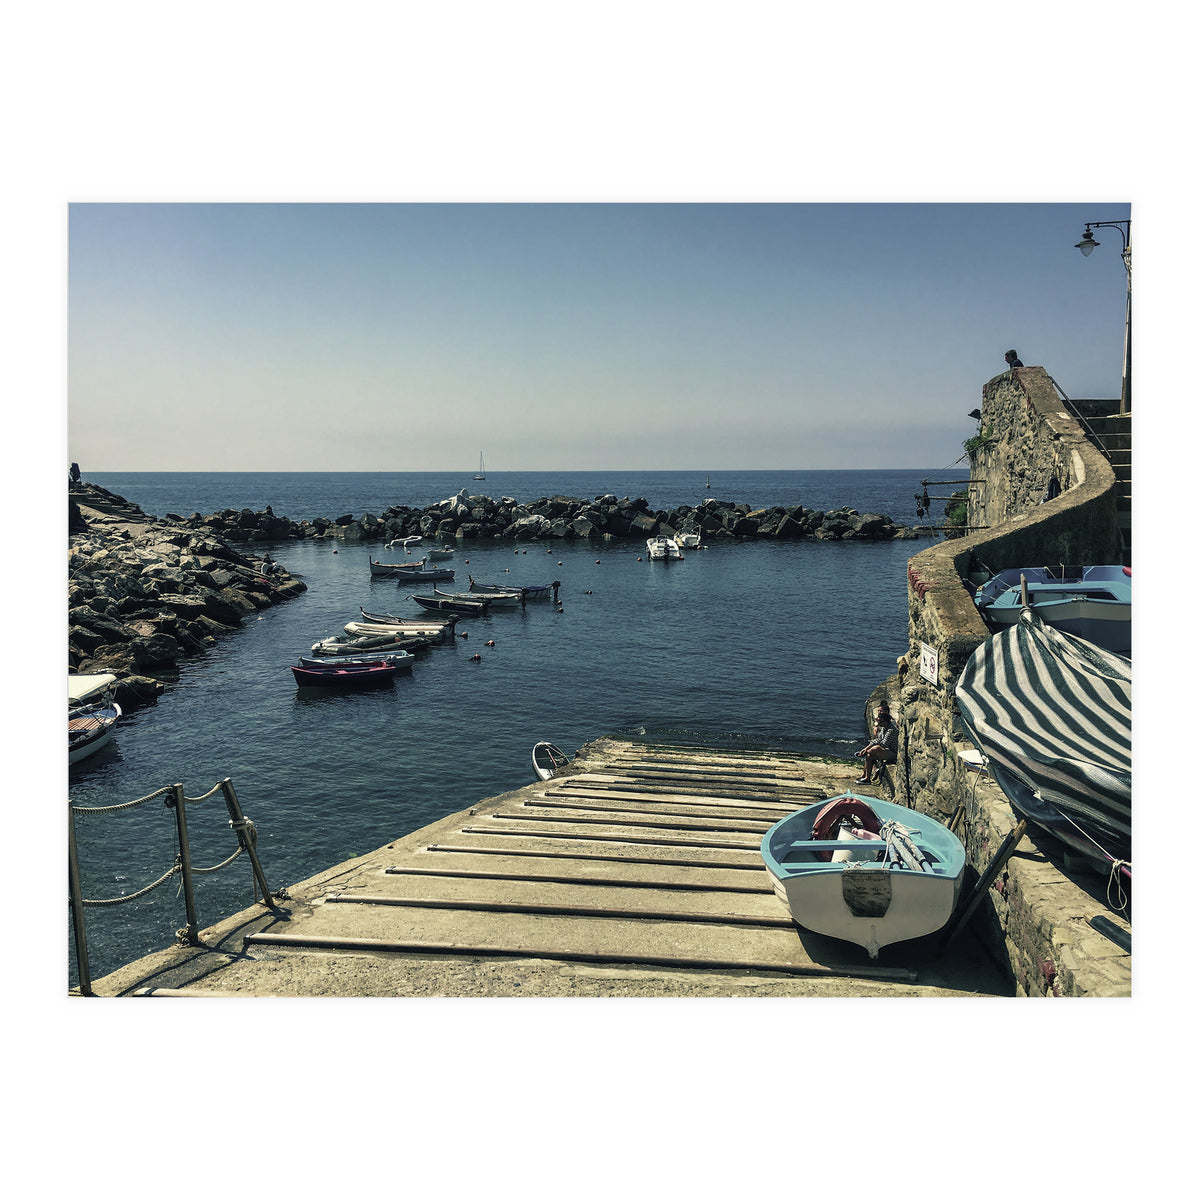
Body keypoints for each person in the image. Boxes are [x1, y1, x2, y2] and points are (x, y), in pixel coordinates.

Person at [854, 701, 898, 784]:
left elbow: (884, 744)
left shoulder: (891, 730)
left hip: (893, 754)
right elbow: (878, 740)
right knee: (869, 756)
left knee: (875, 748)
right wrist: (866, 748)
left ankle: (865, 758)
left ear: (885, 722)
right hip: (887, 751)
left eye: (880, 722)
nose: (878, 723)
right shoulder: (884, 728)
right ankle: (866, 778)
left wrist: (870, 749)